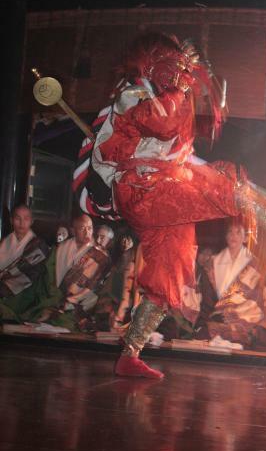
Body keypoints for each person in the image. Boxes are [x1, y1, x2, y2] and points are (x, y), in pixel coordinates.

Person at [74, 31, 248, 378]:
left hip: (161, 190)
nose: (183, 76)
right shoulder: (134, 96)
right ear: (157, 64)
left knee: (170, 270)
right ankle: (245, 202)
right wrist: (230, 189)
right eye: (177, 68)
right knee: (222, 187)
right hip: (142, 187)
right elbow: (164, 124)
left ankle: (130, 355)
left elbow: (181, 155)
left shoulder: (164, 99)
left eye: (184, 70)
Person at [28, 214, 112, 331]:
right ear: (73, 230)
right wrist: (53, 297)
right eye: (82, 228)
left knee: (68, 322)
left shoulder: (100, 255)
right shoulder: (61, 248)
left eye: (90, 228)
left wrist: (64, 303)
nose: (87, 232)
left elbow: (92, 287)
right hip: (54, 298)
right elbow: (49, 276)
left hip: (81, 305)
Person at [194, 221, 266, 347]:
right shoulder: (213, 263)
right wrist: (213, 315)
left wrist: (233, 314)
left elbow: (256, 299)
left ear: (245, 238)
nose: (233, 236)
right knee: (201, 335)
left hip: (245, 319)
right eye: (230, 232)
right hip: (216, 317)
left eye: (238, 232)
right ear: (226, 236)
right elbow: (207, 298)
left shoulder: (254, 264)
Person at [0, 204, 50, 321]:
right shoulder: (4, 242)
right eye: (18, 218)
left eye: (26, 219)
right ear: (11, 220)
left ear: (31, 221)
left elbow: (28, 273)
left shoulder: (39, 245)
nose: (22, 223)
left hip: (26, 294)